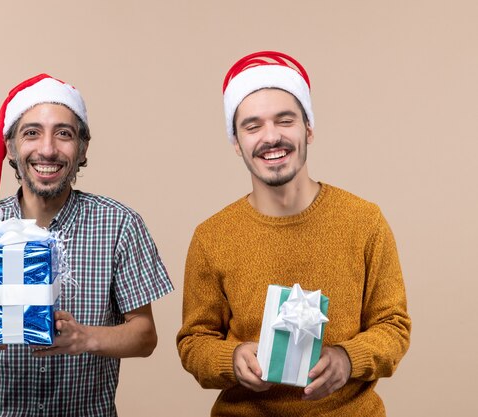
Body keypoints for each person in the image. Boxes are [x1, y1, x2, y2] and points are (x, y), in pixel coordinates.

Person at [0, 74, 173, 416]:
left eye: (64, 134)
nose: (48, 149)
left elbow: (145, 336)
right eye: (32, 132)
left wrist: (85, 338)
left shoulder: (120, 225)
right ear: (10, 147)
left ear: (82, 148)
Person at [176, 51, 411, 416]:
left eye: (284, 120)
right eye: (252, 126)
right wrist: (232, 358)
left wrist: (348, 359)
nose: (271, 137)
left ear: (309, 129)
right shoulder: (212, 237)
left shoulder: (364, 221)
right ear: (237, 143)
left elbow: (393, 326)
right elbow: (194, 342)